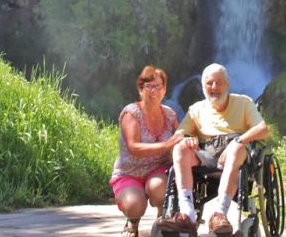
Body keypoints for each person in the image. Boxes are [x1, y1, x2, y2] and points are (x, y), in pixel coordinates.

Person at [157, 63, 269, 236]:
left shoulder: (244, 103)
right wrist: (187, 139)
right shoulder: (196, 110)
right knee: (180, 148)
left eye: (219, 82)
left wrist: (238, 140)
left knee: (235, 150)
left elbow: (263, 129)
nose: (214, 87)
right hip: (207, 154)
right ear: (203, 87)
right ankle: (187, 214)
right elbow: (178, 134)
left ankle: (220, 214)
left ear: (228, 84)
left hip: (236, 152)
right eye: (209, 83)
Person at [110, 65, 185, 237]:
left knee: (160, 190)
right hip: (130, 171)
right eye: (149, 86)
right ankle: (133, 221)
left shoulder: (170, 114)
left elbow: (179, 139)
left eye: (158, 86)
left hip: (158, 169)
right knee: (135, 205)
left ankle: (163, 219)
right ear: (140, 89)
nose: (154, 91)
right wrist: (167, 144)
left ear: (164, 89)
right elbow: (133, 147)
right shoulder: (131, 113)